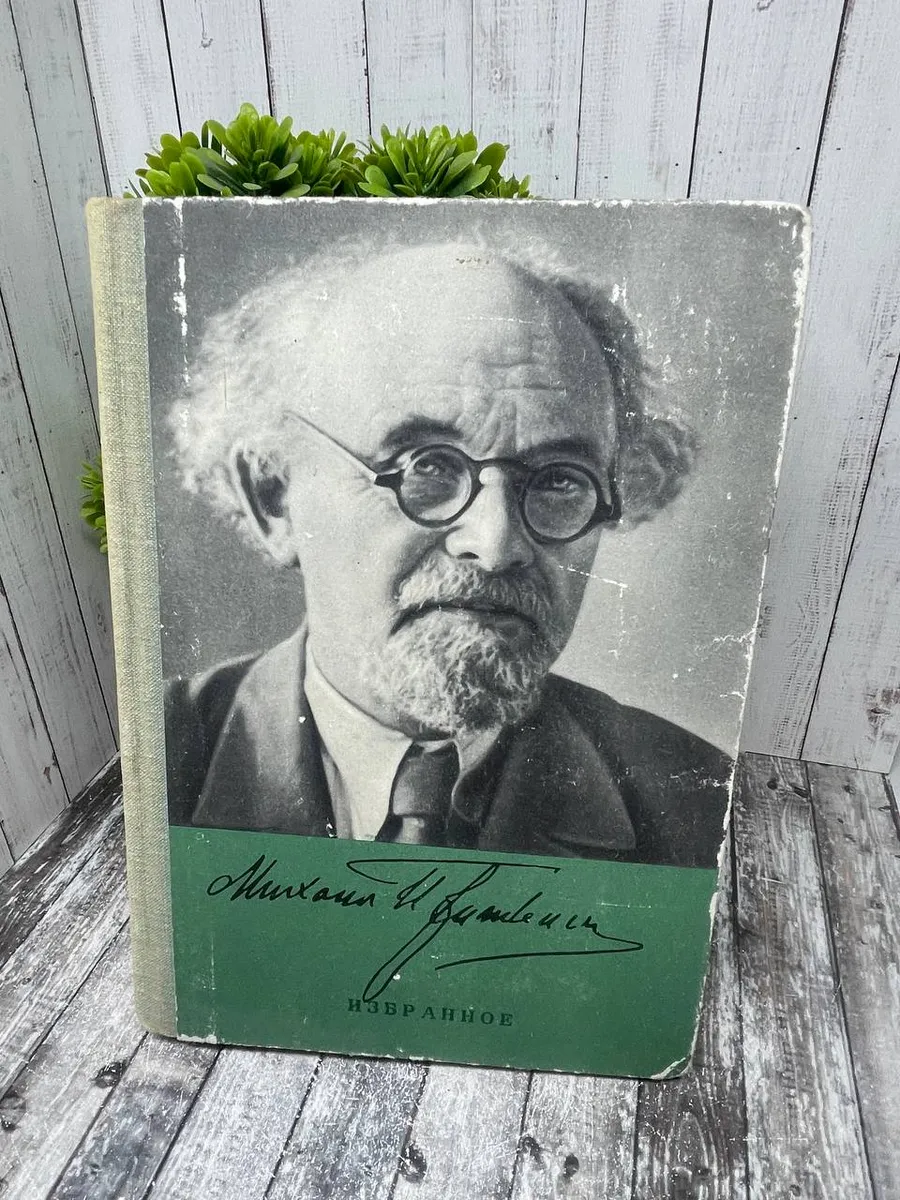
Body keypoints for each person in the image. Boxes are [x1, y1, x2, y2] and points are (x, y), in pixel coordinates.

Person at [163, 238, 731, 868]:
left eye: (559, 480)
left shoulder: (704, 815)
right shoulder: (151, 772)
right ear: (274, 496)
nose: (496, 546)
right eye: (427, 468)